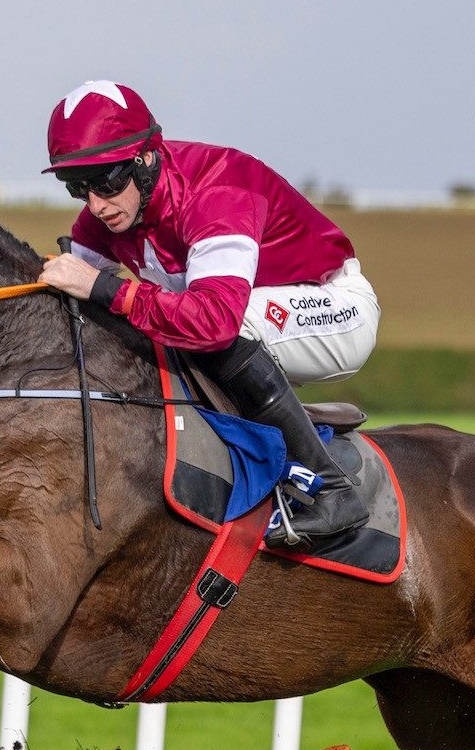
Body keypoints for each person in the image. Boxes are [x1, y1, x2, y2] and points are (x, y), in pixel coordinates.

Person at [36, 80, 380, 548]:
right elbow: (57, 287)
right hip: (248, 311)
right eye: (77, 187)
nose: (96, 203)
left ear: (145, 159)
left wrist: (103, 287)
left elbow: (214, 321)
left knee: (215, 328)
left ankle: (333, 491)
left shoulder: (216, 188)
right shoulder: (109, 213)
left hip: (335, 308)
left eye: (107, 181)